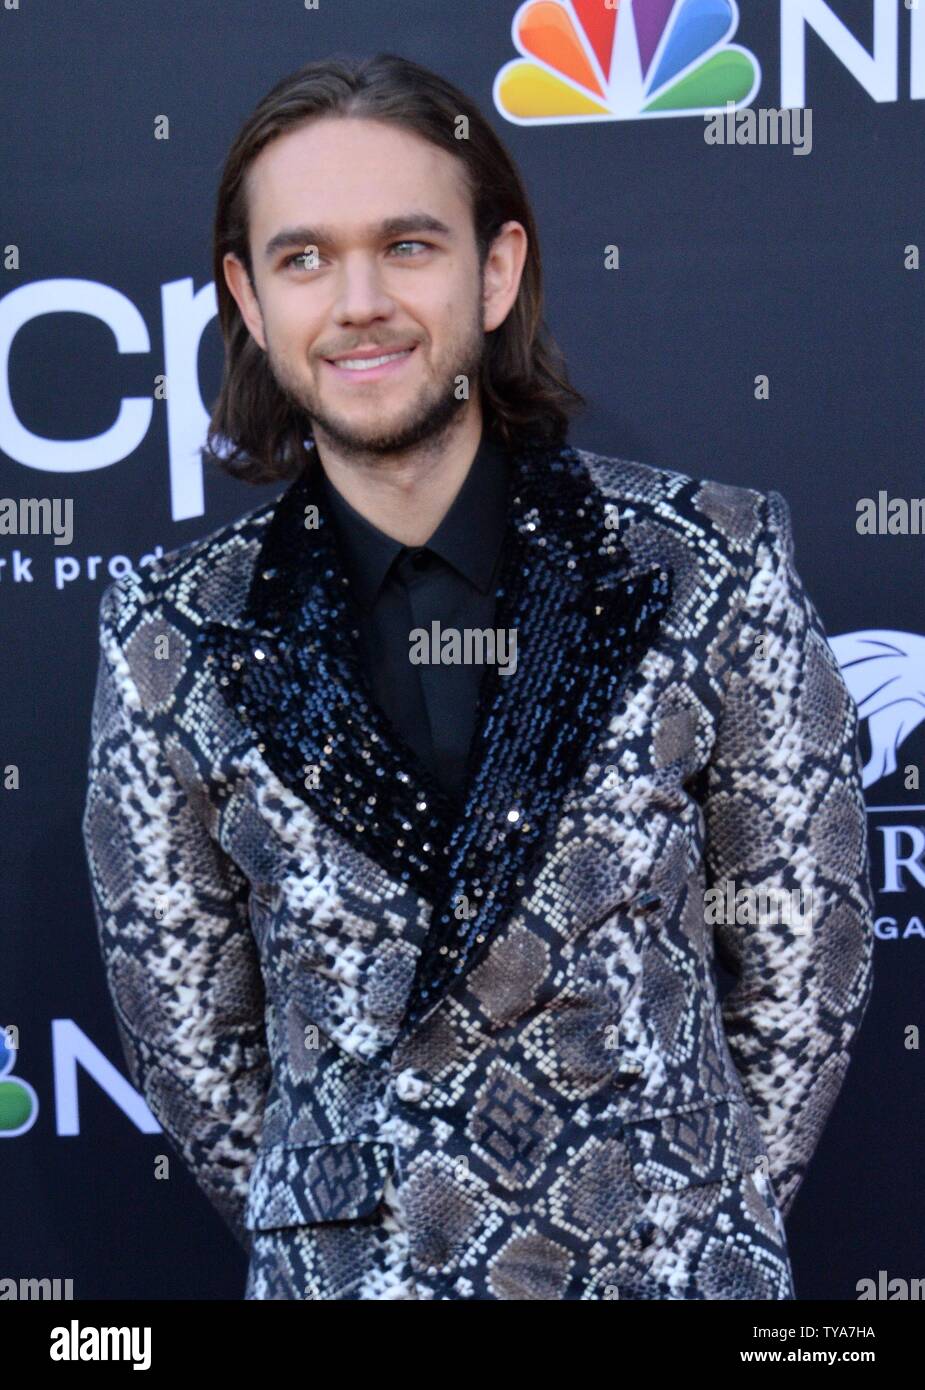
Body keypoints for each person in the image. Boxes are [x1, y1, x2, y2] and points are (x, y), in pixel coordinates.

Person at [82, 53, 874, 1301]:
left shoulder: (705, 562)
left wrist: (676, 1203)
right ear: (244, 294)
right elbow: (190, 1041)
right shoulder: (174, 630)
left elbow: (803, 963)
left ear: (494, 270)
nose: (358, 303)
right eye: (303, 258)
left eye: (407, 246)